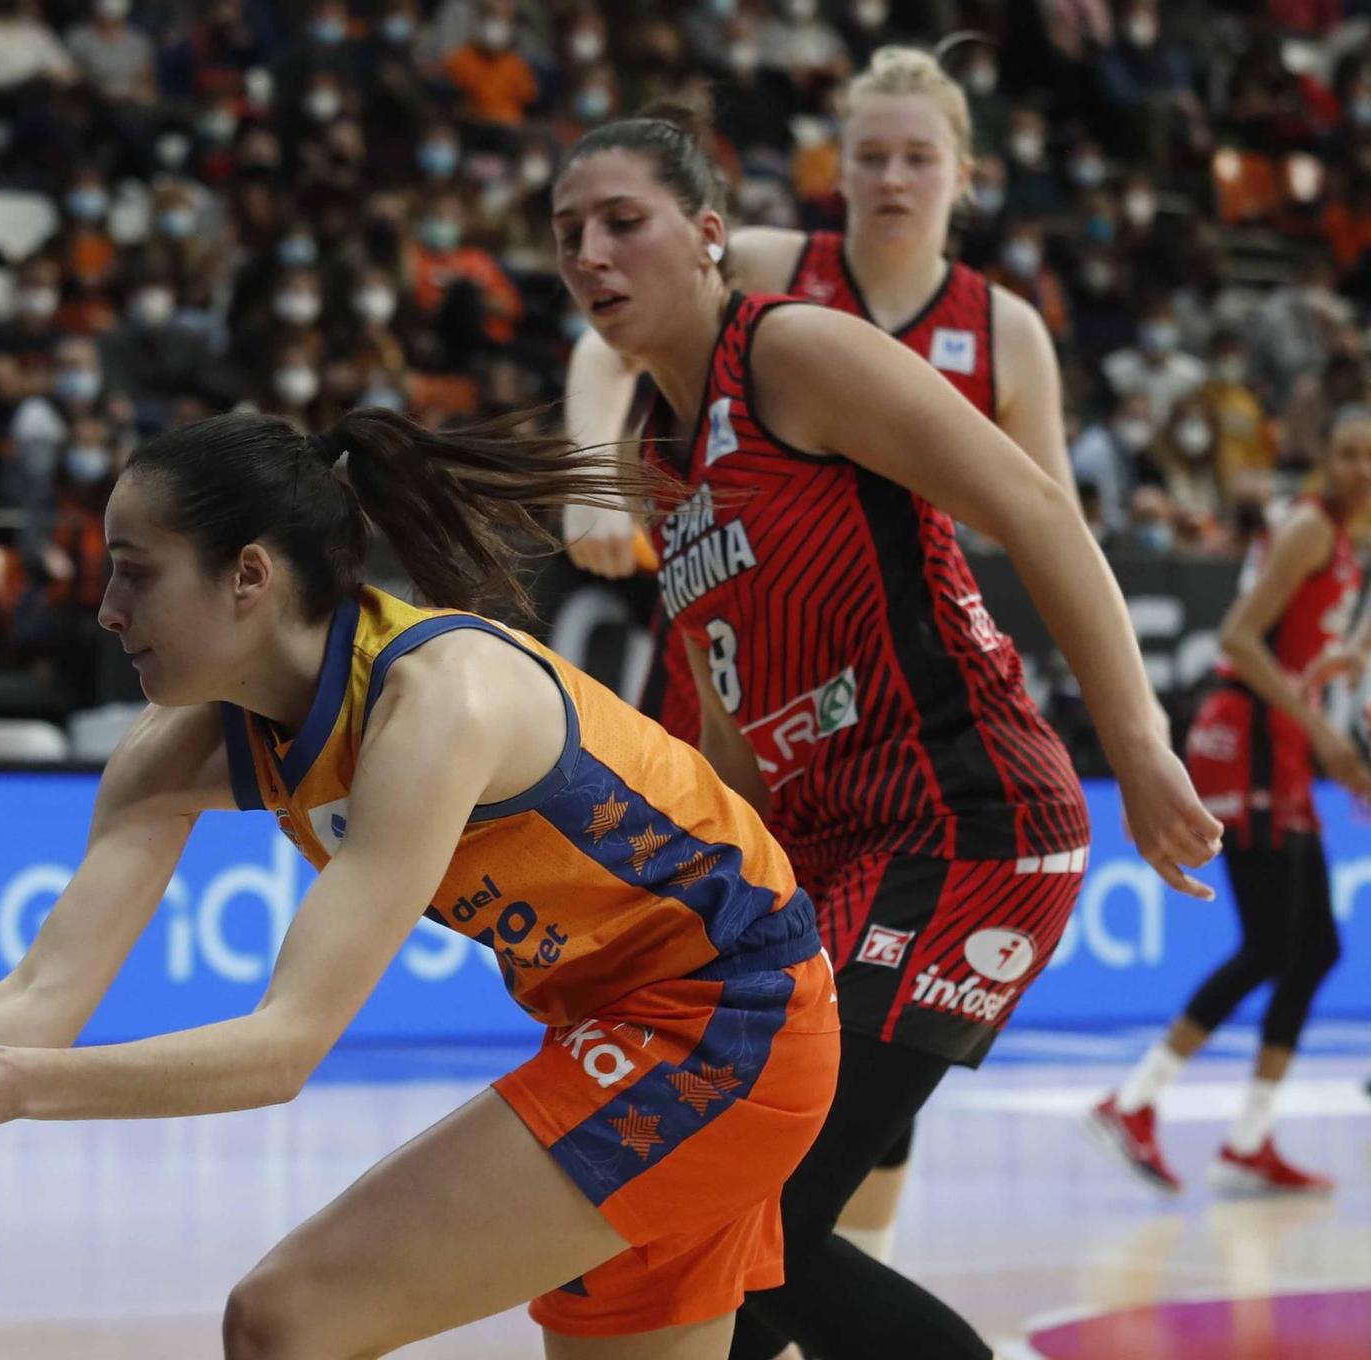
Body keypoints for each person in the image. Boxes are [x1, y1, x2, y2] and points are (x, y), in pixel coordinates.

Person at [0, 405, 842, 1357]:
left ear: (248, 577)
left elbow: (283, 1049)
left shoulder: (440, 700)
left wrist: (5, 1091)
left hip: (730, 1017)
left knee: (286, 1320)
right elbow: (44, 991)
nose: (107, 609)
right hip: (629, 1026)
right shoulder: (172, 753)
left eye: (134, 572)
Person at [548, 98, 1220, 1359]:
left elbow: (1035, 507)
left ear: (707, 236)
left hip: (967, 828)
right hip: (834, 854)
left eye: (618, 222)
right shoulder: (659, 453)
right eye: (565, 232)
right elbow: (727, 711)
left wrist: (1137, 747)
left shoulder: (793, 349)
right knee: (718, 1232)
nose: (587, 252)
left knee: (762, 1228)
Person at [559, 45, 1075, 1279]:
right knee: (738, 1074)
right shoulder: (779, 273)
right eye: (867, 156)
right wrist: (589, 467)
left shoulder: (997, 328)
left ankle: (794, 1304)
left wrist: (912, 452)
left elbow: (1036, 508)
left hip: (887, 712)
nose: (890, 178)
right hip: (734, 701)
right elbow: (607, 346)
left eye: (917, 157)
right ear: (828, 171)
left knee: (822, 1106)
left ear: (964, 174)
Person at [1092, 408, 1371, 1195]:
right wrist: (1324, 734)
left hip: (1281, 739)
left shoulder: (1342, 543)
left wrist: (1337, 665)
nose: (1358, 468)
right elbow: (1240, 638)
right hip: (1245, 733)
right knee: (1272, 945)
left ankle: (1249, 1137)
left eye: (1369, 457)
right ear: (1325, 460)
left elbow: (1291, 644)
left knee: (1315, 948)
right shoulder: (1311, 530)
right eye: (1346, 453)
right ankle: (1133, 1099)